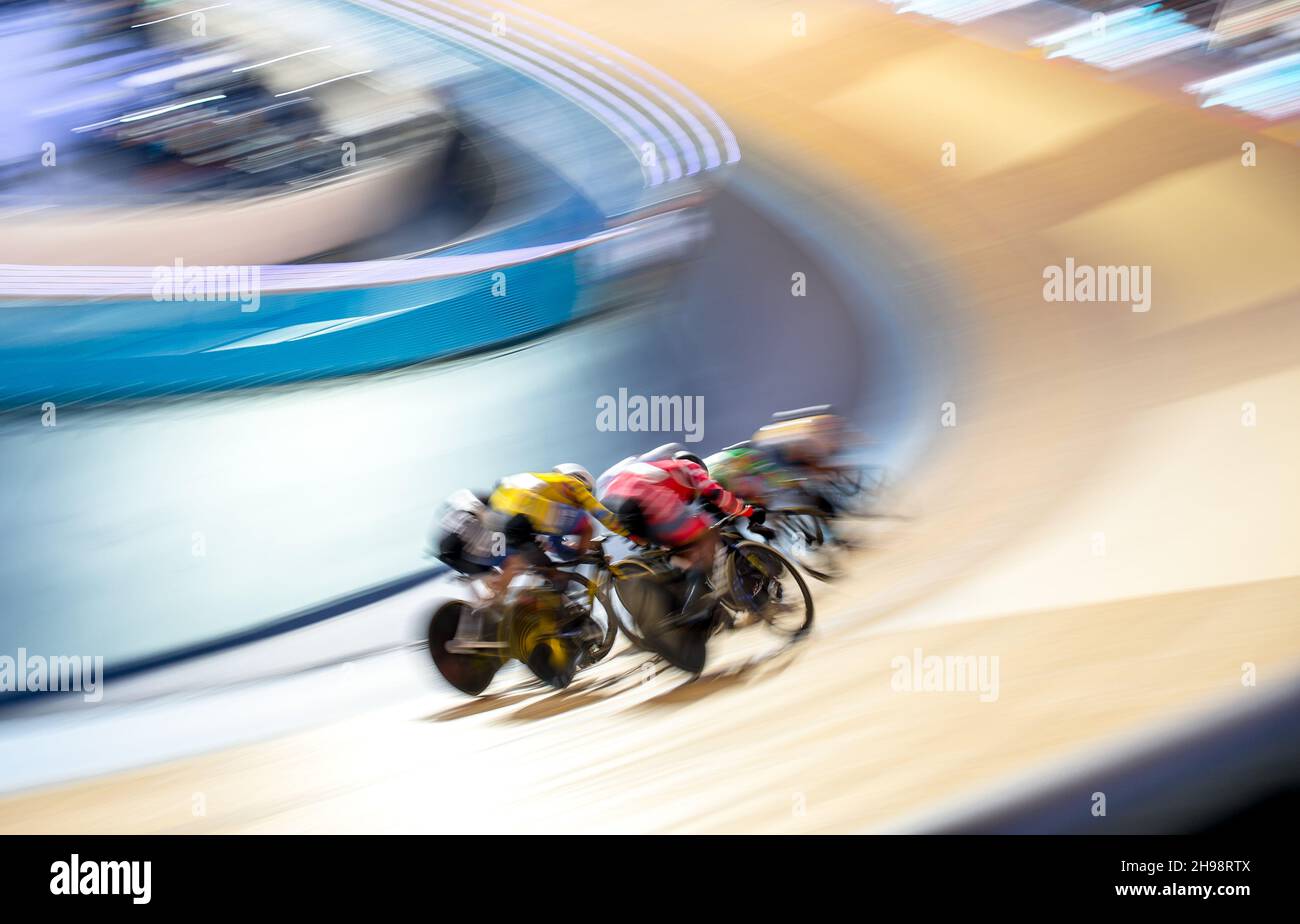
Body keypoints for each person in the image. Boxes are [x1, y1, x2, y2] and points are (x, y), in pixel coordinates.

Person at [599, 450, 767, 625]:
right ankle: (701, 607)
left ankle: (677, 596)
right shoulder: (690, 467)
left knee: (683, 553)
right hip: (641, 501)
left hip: (613, 507)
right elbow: (716, 494)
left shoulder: (659, 471)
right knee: (708, 534)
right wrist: (747, 511)